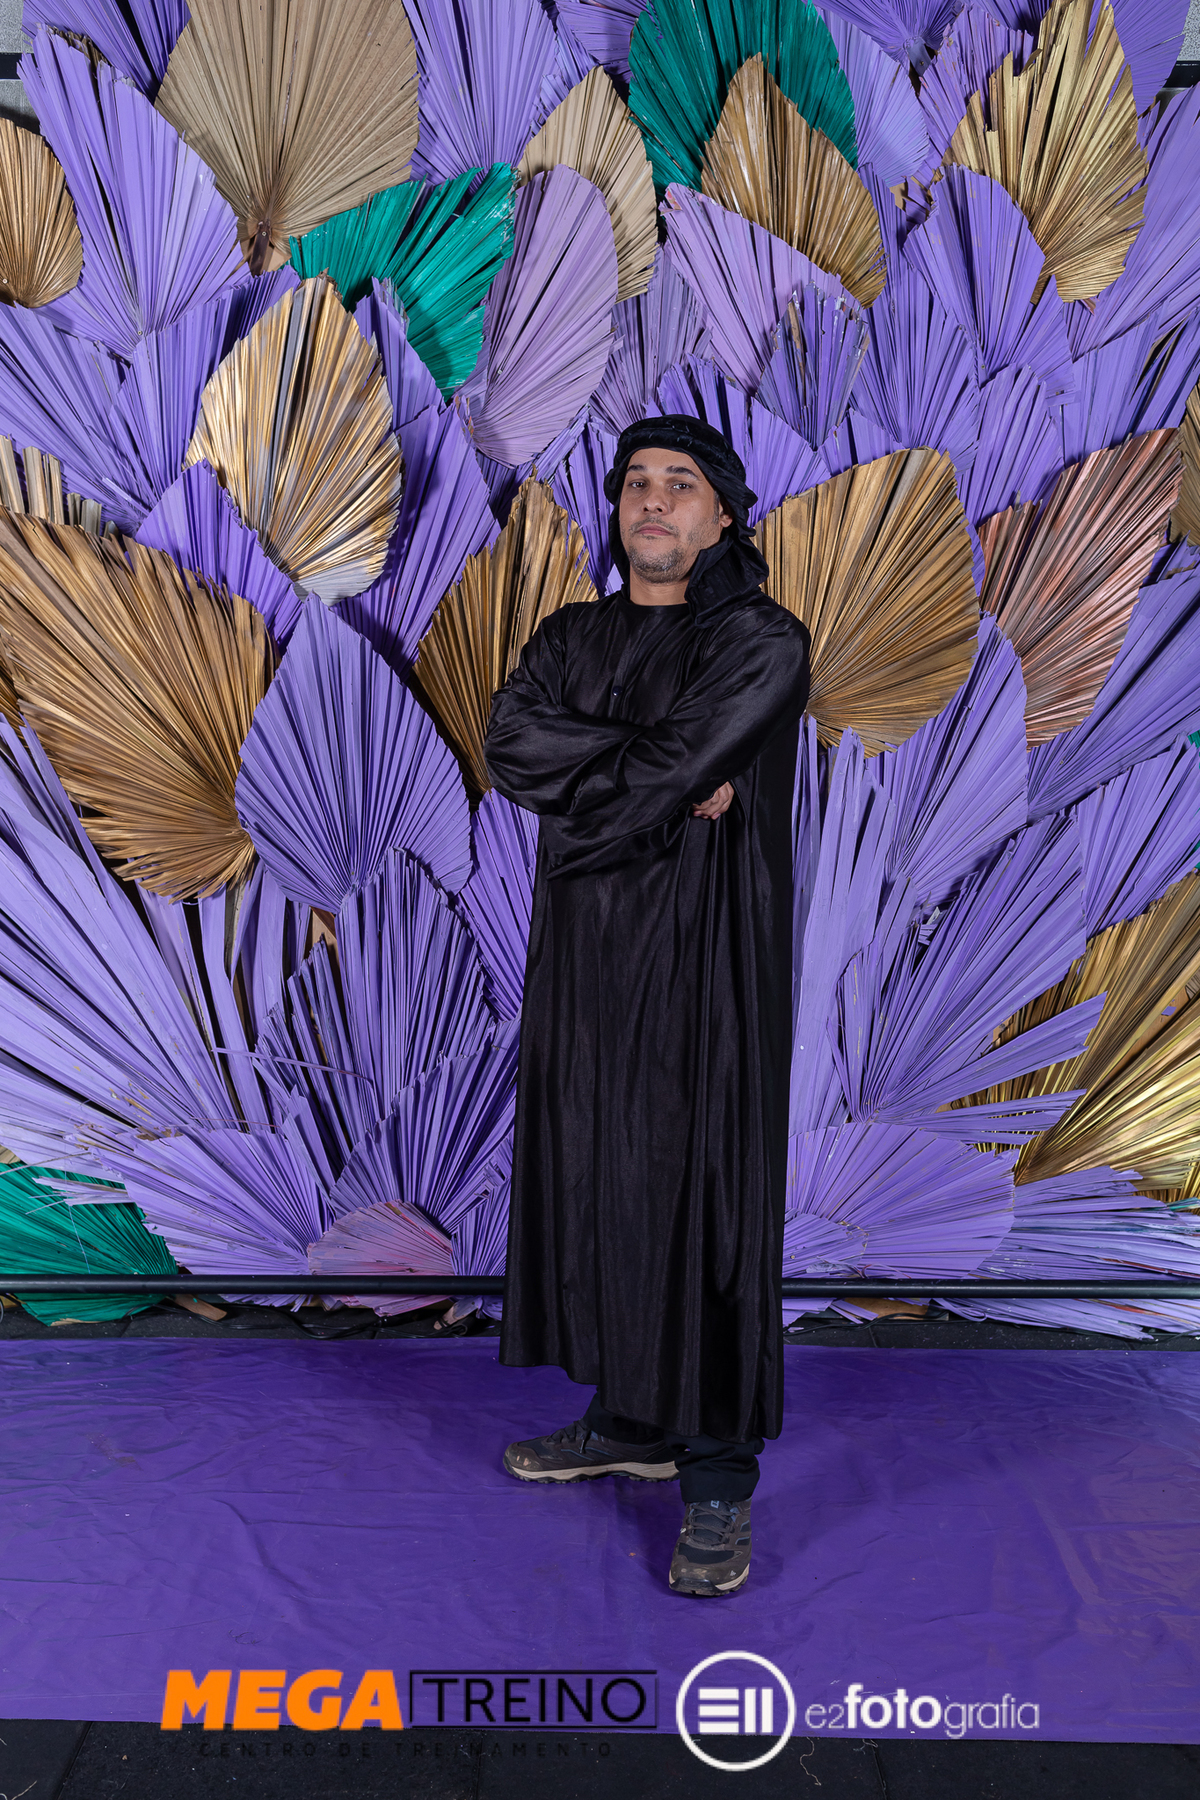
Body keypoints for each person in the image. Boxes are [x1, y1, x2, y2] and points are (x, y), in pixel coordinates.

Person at [482, 416, 810, 1596]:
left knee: (704, 1191)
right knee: (598, 1175)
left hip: (707, 966)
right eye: (636, 484)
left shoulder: (762, 640)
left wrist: (637, 780)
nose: (654, 501)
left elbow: (661, 761)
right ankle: (630, 1418)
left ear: (722, 514)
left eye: (680, 484)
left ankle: (717, 1479)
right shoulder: (569, 636)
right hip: (586, 966)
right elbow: (510, 745)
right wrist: (672, 775)